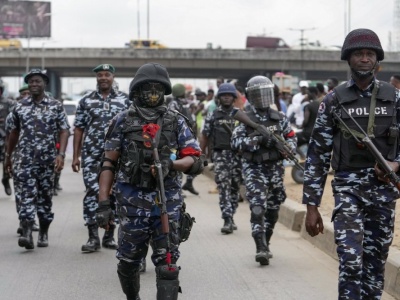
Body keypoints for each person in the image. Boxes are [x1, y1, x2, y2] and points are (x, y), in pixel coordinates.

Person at [303, 28, 400, 299]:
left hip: (384, 193)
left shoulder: (395, 99)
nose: (365, 59)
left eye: (370, 54)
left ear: (377, 60)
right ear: (349, 58)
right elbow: (317, 156)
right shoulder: (333, 101)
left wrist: (395, 165)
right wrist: (311, 207)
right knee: (350, 260)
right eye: (359, 53)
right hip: (348, 191)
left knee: (375, 263)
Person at [96, 62, 204, 300]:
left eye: (158, 88)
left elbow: (194, 159)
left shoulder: (176, 121)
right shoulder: (122, 121)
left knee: (167, 266)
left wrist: (170, 164)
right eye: (148, 87)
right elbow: (108, 163)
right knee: (128, 263)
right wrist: (103, 203)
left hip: (166, 204)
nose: (153, 92)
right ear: (137, 90)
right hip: (131, 204)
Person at [231, 75, 297, 265]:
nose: (262, 98)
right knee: (258, 208)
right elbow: (235, 143)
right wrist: (258, 140)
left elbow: (291, 137)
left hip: (275, 170)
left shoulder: (280, 118)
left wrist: (287, 147)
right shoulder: (245, 118)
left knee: (274, 209)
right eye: (258, 95)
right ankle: (260, 247)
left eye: (265, 94)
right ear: (251, 97)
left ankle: (266, 241)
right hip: (254, 169)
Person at [6, 69, 69, 249]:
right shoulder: (19, 107)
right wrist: (8, 157)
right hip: (24, 160)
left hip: (47, 161)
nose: (34, 84)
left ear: (44, 84)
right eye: (31, 81)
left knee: (44, 199)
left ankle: (43, 232)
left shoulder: (55, 106)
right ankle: (26, 234)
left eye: (37, 81)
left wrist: (61, 154)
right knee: (25, 195)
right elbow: (13, 133)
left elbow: (64, 130)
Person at [72, 64, 130, 253]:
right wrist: (75, 156)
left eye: (107, 74)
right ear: (96, 78)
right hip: (91, 155)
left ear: (113, 77)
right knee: (92, 192)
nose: (103, 77)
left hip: (117, 156)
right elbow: (79, 128)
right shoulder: (86, 101)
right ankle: (92, 237)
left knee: (114, 193)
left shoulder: (125, 101)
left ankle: (109, 235)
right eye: (100, 75)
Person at [201, 83, 241, 234]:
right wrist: (202, 154)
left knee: (235, 187)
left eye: (229, 95)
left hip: (238, 156)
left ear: (233, 98)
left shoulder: (240, 114)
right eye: (224, 95)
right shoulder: (213, 115)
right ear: (219, 98)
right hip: (220, 155)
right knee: (223, 186)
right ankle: (227, 218)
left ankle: (232, 213)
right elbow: (205, 135)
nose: (226, 97)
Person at [0, 79, 16, 196]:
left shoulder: (9, 103)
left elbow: (15, 120)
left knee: (7, 160)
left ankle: (5, 179)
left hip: (5, 138)